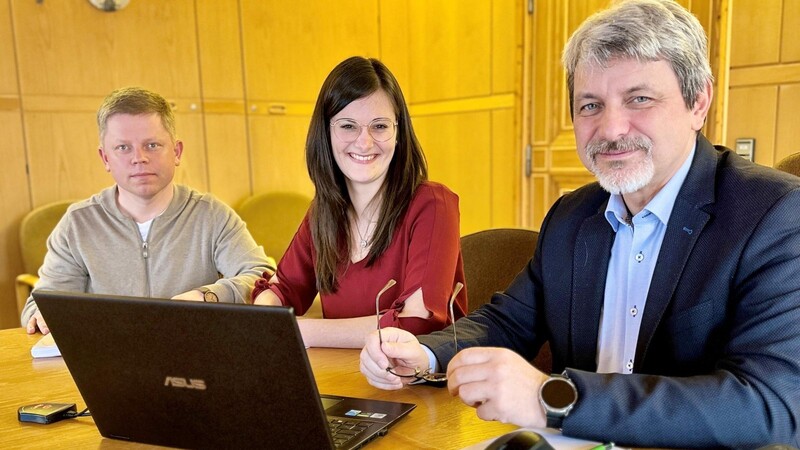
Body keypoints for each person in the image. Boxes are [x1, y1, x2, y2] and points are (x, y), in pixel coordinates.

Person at [359, 1, 800, 448]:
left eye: (639, 99)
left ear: (698, 101)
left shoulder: (776, 214)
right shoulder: (573, 217)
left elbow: (771, 406)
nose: (610, 129)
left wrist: (553, 398)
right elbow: (509, 322)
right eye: (590, 105)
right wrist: (426, 352)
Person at [252, 56, 467, 349]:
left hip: (415, 386)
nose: (364, 143)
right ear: (326, 133)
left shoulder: (433, 204)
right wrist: (266, 314)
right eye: (348, 126)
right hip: (340, 382)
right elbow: (284, 289)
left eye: (379, 126)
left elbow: (417, 321)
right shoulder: (323, 212)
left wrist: (303, 332)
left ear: (398, 132)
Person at [21, 87, 273, 335]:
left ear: (176, 152)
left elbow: (261, 278)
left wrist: (207, 296)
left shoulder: (212, 215)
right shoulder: (78, 223)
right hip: (109, 356)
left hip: (192, 349)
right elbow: (40, 305)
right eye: (123, 148)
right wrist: (42, 315)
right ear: (105, 158)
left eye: (152, 145)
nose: (138, 158)